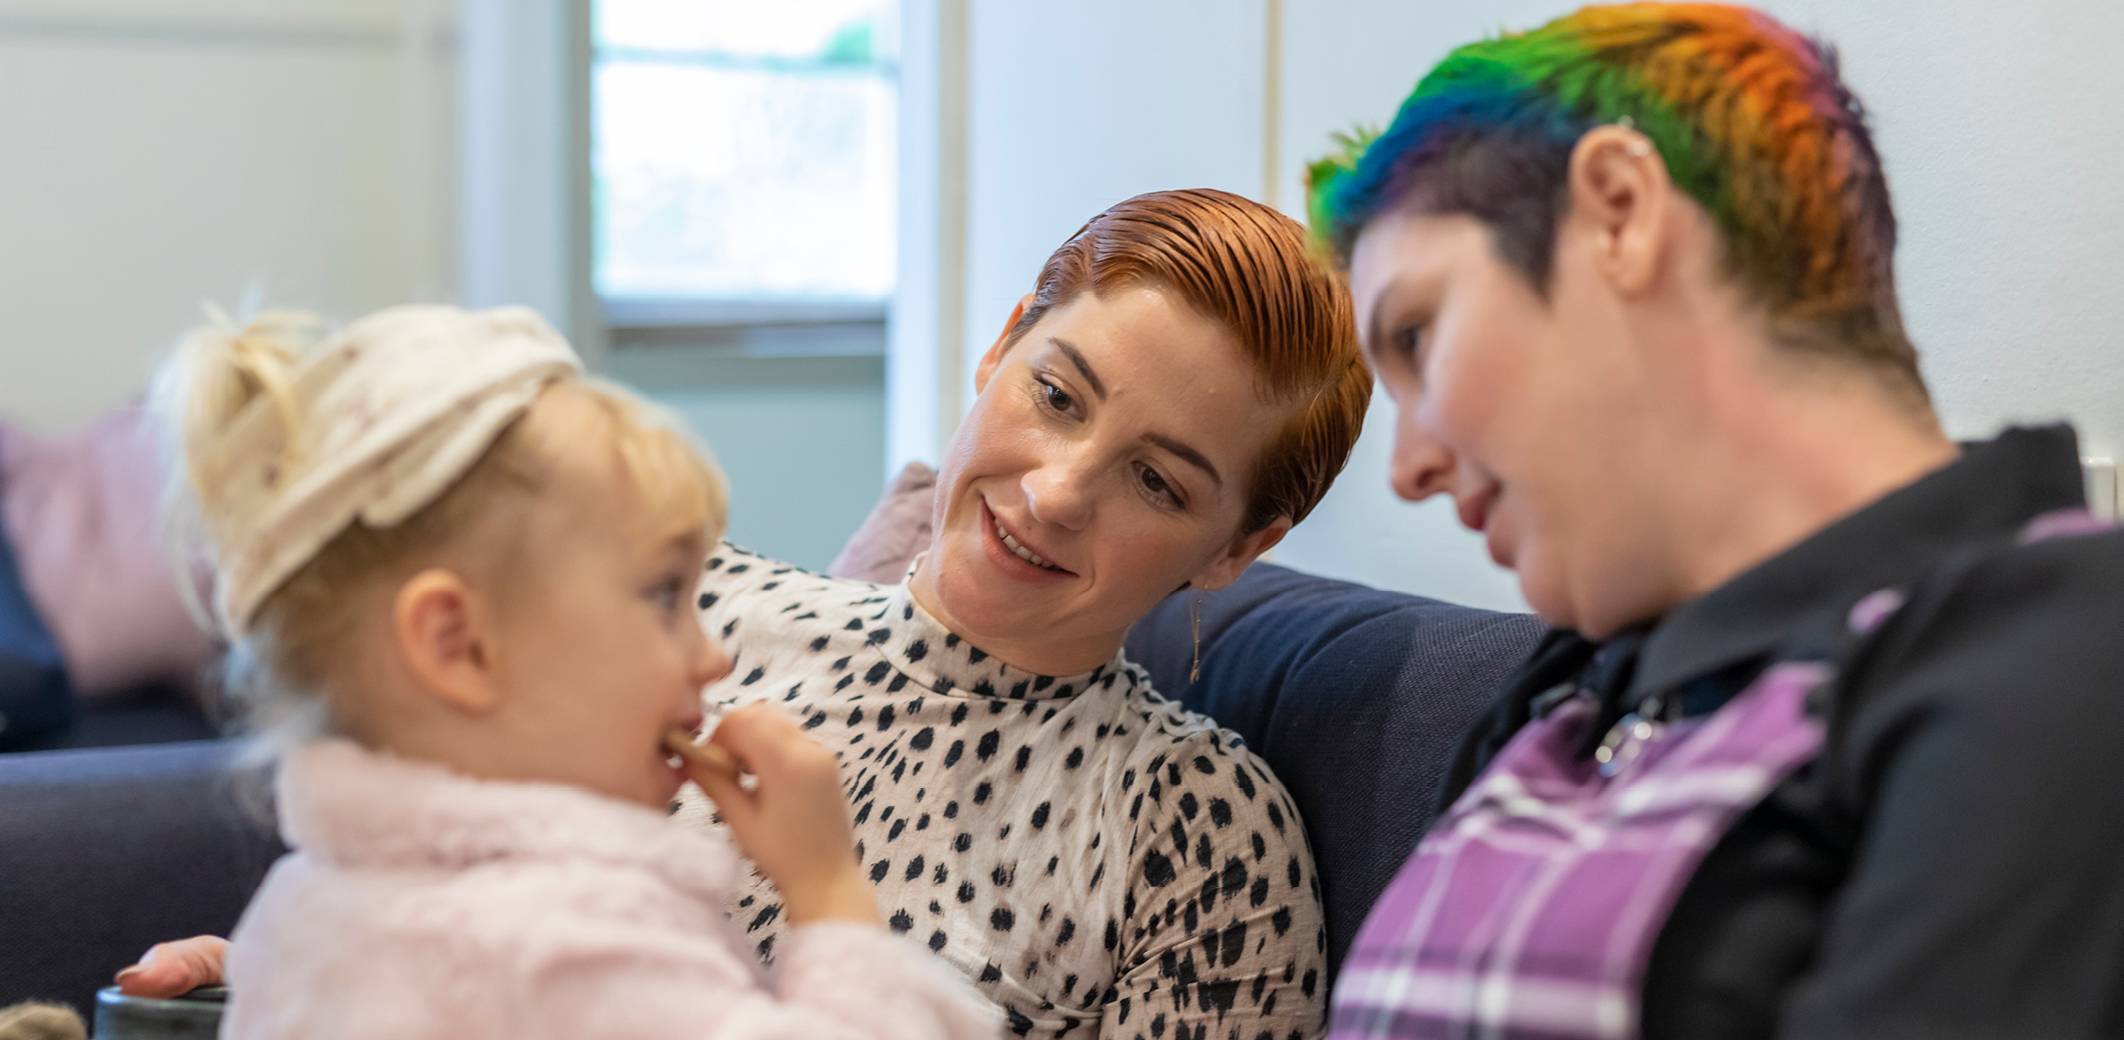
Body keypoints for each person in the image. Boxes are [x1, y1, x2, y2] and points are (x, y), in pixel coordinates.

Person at [122, 188, 1375, 1040]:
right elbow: (463, 899)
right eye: (1057, 394)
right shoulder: (685, 607)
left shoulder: (1199, 831)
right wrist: (292, 985)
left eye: (1157, 482)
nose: (1056, 492)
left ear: (1242, 545)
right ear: (1001, 346)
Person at [1307, 4, 2124, 1038]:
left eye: (1418, 337)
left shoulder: (2053, 646)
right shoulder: (1569, 694)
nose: (1408, 467)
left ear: (1618, 211)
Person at [153, 305, 996, 1039]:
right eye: (663, 595)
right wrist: (827, 889)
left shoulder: (295, 916)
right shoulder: (576, 941)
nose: (712, 655)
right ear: (459, 646)